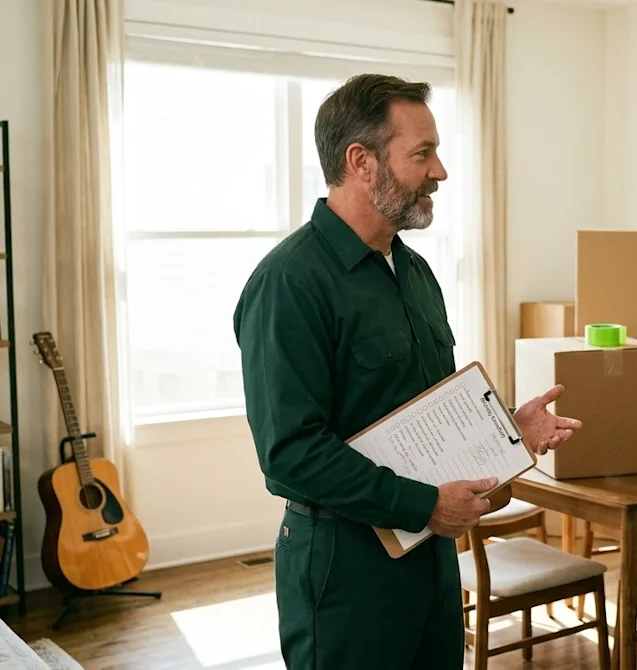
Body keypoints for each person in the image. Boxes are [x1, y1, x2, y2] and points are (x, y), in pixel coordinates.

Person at [232, 74, 582, 669]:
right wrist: (423, 507)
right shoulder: (289, 283)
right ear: (361, 162)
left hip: (430, 558)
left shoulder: (415, 274)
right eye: (422, 153)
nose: (440, 171)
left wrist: (505, 436)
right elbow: (290, 453)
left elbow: (429, 420)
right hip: (344, 565)